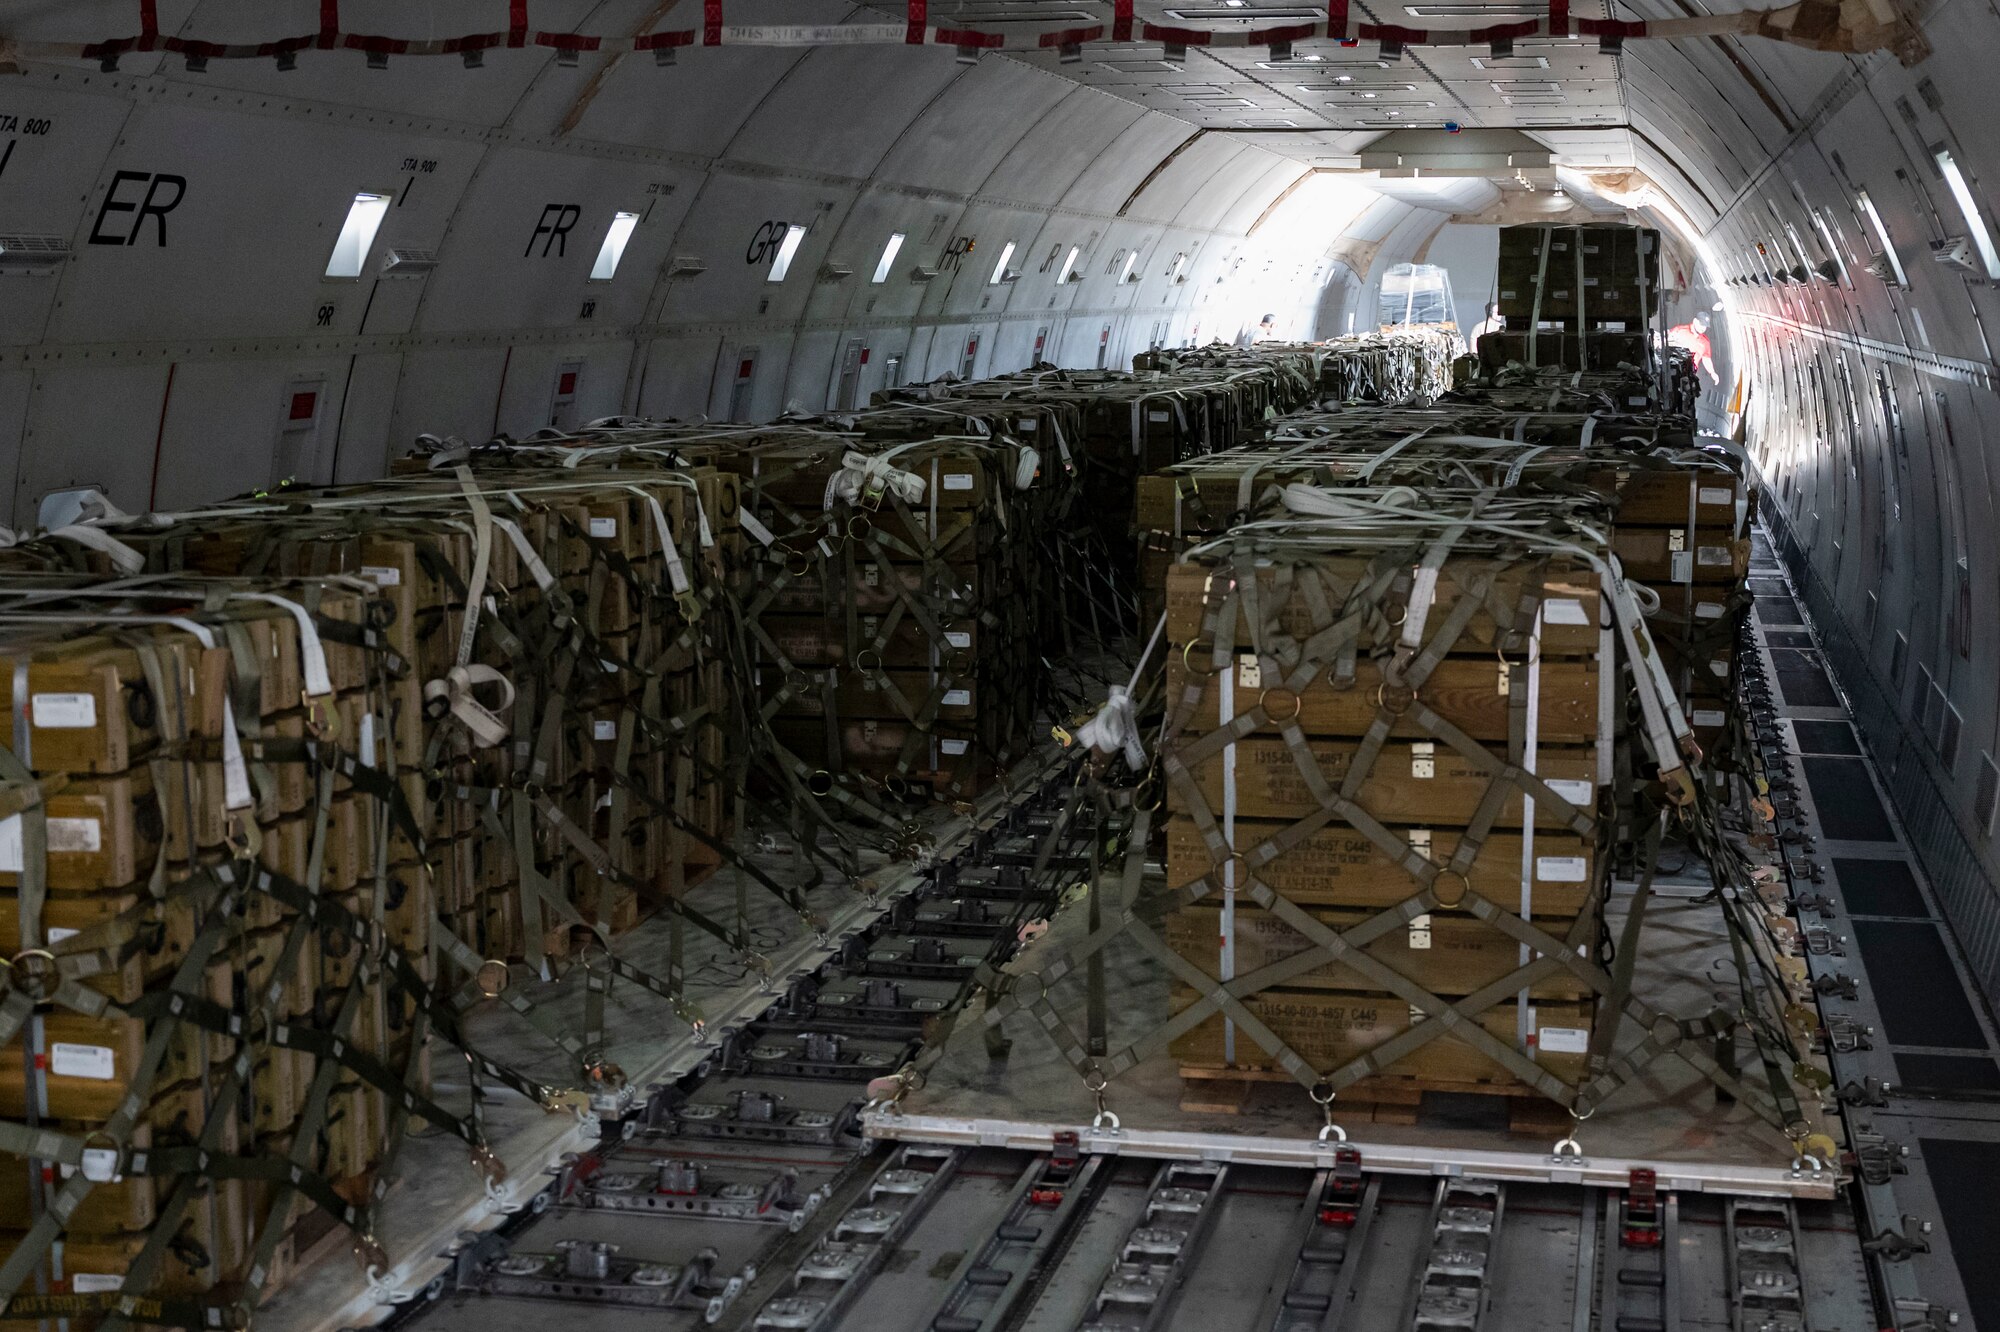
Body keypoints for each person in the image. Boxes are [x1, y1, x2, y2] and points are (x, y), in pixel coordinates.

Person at [1668, 311, 1719, 386]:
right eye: (1701, 324)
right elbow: (1664, 341)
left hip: (1688, 376)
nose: (1703, 328)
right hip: (1671, 370)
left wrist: (1712, 372)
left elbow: (1706, 358)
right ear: (1695, 321)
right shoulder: (1679, 330)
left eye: (1705, 326)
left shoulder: (1705, 342)